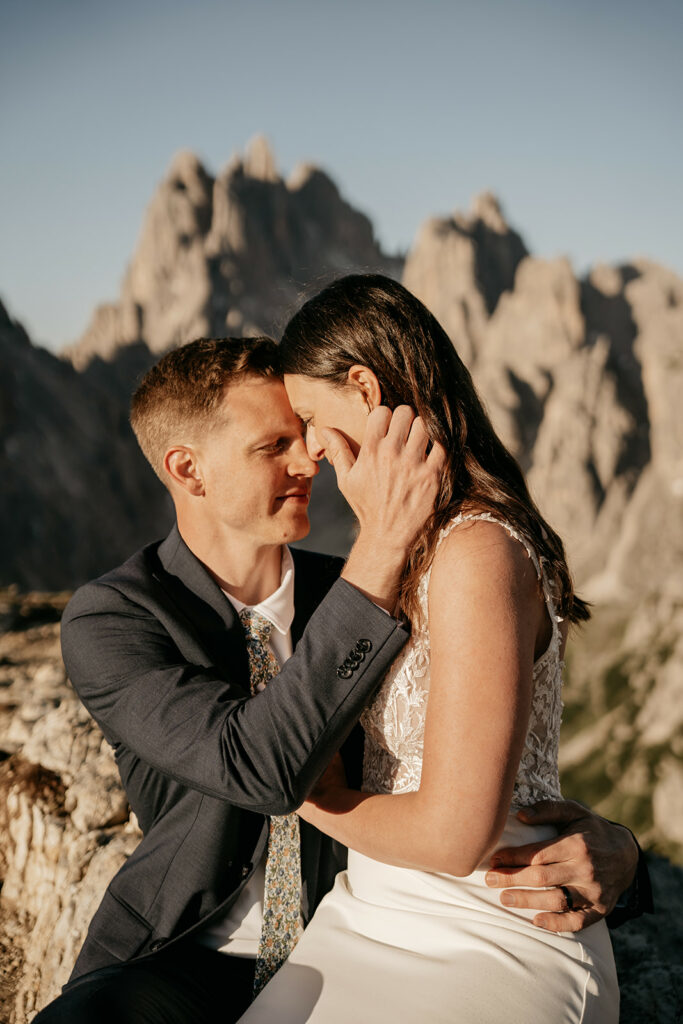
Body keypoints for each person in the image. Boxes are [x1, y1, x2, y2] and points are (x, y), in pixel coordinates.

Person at [36, 333, 645, 1024]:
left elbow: (473, 757)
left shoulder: (359, 591)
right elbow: (258, 768)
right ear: (188, 469)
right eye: (273, 447)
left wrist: (623, 852)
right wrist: (382, 543)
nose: (310, 462)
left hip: (350, 944)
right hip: (185, 959)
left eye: (304, 435)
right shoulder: (114, 616)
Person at [238, 275, 646, 1023]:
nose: (313, 450)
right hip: (365, 910)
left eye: (309, 417)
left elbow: (456, 836)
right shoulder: (395, 550)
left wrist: (310, 794)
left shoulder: (475, 552)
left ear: (362, 387)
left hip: (486, 930)